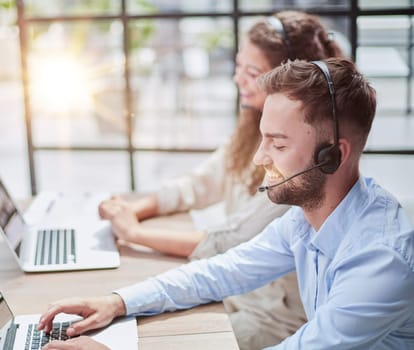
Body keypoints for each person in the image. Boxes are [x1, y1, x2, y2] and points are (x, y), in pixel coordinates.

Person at [39, 57, 414, 349]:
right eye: (263, 140)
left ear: (333, 155)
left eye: (279, 145)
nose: (259, 159)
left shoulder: (381, 260)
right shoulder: (306, 219)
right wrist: (118, 301)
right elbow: (222, 271)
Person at [98, 11, 344, 349]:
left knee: (154, 335)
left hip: (271, 320)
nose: (237, 79)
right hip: (235, 294)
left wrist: (135, 233)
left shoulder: (305, 162)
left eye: (252, 72)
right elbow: (198, 184)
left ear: (288, 80)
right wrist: (129, 212)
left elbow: (228, 242)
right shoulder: (253, 127)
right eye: (238, 65)